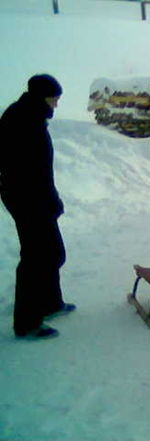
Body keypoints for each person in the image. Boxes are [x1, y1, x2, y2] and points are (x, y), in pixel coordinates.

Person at [0, 74, 76, 339]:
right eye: (54, 98)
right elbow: (23, 169)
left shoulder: (30, 114)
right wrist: (42, 200)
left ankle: (49, 303)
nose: (56, 104)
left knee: (52, 253)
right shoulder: (21, 118)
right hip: (27, 199)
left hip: (37, 197)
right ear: (41, 95)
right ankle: (27, 322)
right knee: (36, 258)